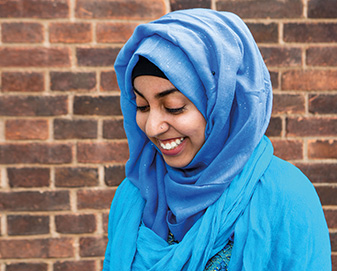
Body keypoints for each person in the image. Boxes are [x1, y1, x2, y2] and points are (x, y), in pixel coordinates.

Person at [103, 9, 331, 270]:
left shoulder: (285, 196)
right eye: (142, 107)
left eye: (174, 107)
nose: (153, 127)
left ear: (221, 106)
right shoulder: (134, 194)